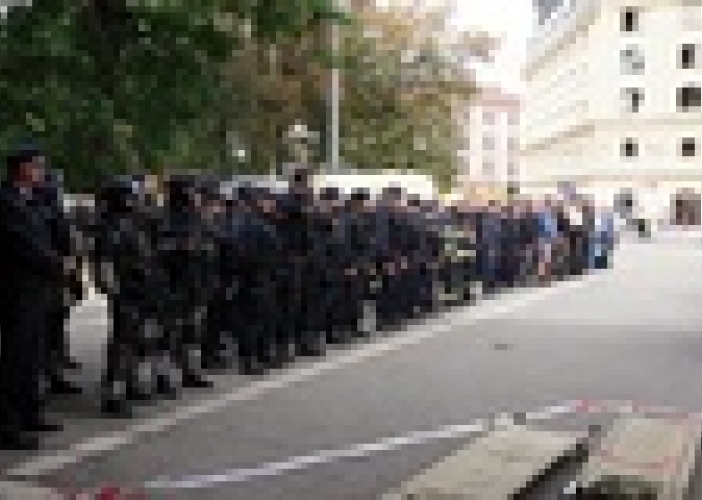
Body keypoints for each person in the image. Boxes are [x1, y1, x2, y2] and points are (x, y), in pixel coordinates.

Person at [0, 141, 75, 448]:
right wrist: (58, 263)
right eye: (38, 166)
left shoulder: (33, 200)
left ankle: (31, 412)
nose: (42, 172)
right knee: (16, 357)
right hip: (16, 288)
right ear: (23, 168)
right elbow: (22, 243)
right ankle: (7, 425)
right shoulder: (6, 201)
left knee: (34, 353)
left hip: (36, 287)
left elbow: (52, 234)